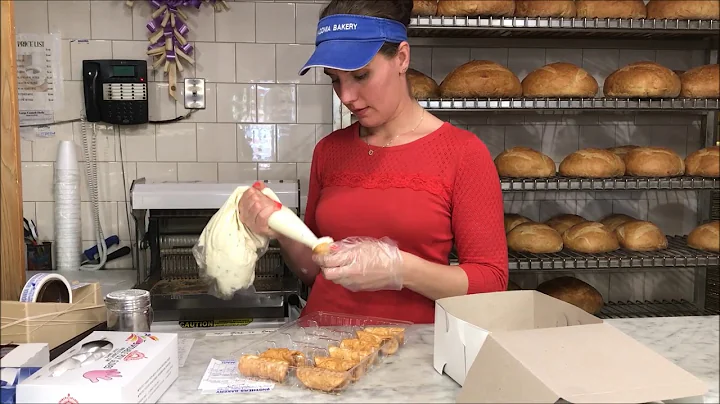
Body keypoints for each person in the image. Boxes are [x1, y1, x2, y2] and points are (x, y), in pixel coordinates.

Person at [238, 0, 507, 324]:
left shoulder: (462, 153)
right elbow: (313, 272)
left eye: (360, 75)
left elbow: (491, 284)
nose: (346, 95)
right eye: (335, 79)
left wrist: (400, 268)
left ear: (402, 58)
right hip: (320, 347)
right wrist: (279, 228)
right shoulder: (329, 151)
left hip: (408, 354)